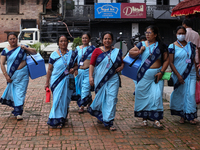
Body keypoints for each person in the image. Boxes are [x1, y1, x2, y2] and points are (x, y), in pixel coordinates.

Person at [129, 25, 169, 129]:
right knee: (142, 95)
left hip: (157, 75)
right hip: (143, 74)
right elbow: (130, 53)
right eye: (146, 32)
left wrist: (162, 72)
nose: (147, 34)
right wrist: (139, 51)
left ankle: (156, 120)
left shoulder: (161, 46)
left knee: (157, 96)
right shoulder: (141, 44)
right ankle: (144, 119)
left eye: (150, 33)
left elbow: (166, 60)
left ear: (155, 34)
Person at [88, 31, 124, 131]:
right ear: (102, 40)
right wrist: (91, 77)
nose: (107, 41)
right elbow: (92, 64)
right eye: (105, 39)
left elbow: (122, 62)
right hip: (100, 79)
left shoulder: (117, 51)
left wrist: (121, 67)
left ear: (112, 40)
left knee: (111, 98)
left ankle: (109, 121)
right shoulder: (97, 51)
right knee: (101, 98)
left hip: (113, 78)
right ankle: (101, 114)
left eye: (109, 39)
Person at [0, 32, 37, 120]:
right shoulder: (6, 50)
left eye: (14, 38)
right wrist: (6, 76)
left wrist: (26, 49)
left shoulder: (22, 47)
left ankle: (19, 112)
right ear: (8, 40)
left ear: (17, 39)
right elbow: (2, 64)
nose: (13, 40)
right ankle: (16, 109)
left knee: (21, 93)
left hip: (23, 75)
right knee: (14, 93)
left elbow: (34, 52)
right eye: (10, 39)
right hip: (12, 76)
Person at [45, 35, 78, 128]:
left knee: (65, 100)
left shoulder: (72, 54)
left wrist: (73, 69)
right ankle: (55, 119)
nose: (63, 43)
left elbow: (76, 65)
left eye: (65, 41)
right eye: (61, 41)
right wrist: (47, 82)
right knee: (57, 100)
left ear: (68, 42)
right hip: (57, 81)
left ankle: (62, 118)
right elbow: (50, 69)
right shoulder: (54, 55)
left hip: (69, 80)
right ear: (58, 43)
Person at [168, 26, 199, 125]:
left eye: (183, 33)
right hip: (179, 74)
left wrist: (197, 72)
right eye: (179, 33)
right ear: (176, 34)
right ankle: (182, 116)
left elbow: (193, 60)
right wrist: (178, 75)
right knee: (181, 94)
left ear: (186, 34)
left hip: (192, 73)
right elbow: (171, 63)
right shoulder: (172, 46)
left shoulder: (191, 46)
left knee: (191, 94)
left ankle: (190, 116)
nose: (181, 35)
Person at [75, 32, 96, 113]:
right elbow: (75, 60)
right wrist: (75, 70)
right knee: (81, 88)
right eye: (83, 38)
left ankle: (81, 106)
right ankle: (89, 101)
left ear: (89, 39)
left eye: (86, 38)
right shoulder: (78, 48)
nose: (84, 39)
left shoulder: (93, 48)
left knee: (85, 88)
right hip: (80, 71)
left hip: (88, 71)